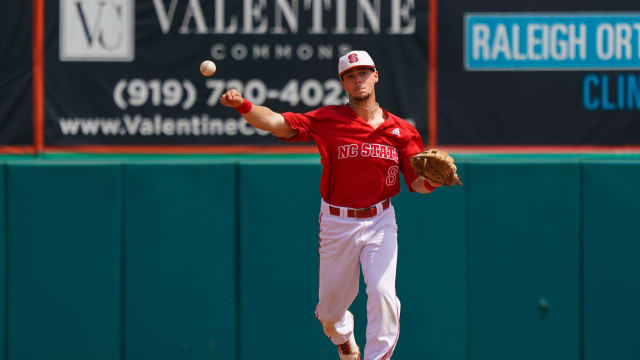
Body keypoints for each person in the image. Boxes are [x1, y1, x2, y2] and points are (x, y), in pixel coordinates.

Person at [220, 50, 441, 360]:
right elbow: (275, 122)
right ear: (343, 83)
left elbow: (415, 184)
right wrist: (242, 105)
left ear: (375, 75)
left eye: (363, 72)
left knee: (382, 293)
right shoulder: (328, 120)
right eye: (350, 75)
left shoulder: (403, 132)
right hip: (338, 222)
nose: (358, 78)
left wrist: (432, 181)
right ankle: (343, 336)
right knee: (330, 311)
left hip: (380, 219)